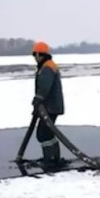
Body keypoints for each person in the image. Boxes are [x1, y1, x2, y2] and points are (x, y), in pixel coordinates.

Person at [31, 41, 65, 169]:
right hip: (50, 106)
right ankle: (53, 157)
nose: (34, 57)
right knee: (48, 133)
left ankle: (50, 159)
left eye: (35, 54)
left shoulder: (47, 68)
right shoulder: (47, 65)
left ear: (40, 54)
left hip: (50, 106)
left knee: (43, 134)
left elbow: (44, 87)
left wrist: (38, 99)